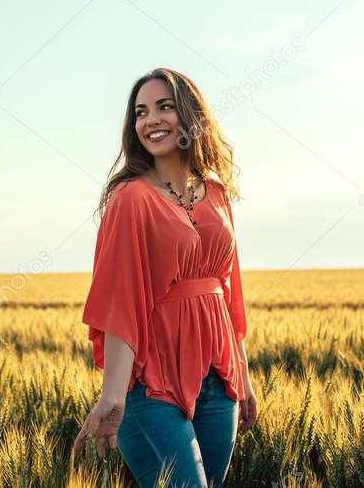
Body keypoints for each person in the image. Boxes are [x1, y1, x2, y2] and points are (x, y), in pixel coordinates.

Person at [71, 68, 258, 487]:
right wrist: (114, 395)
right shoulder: (130, 199)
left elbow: (229, 289)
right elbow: (121, 301)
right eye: (140, 112)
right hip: (152, 386)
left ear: (190, 116)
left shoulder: (216, 192)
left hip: (219, 380)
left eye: (164, 107)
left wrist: (241, 374)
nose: (150, 120)